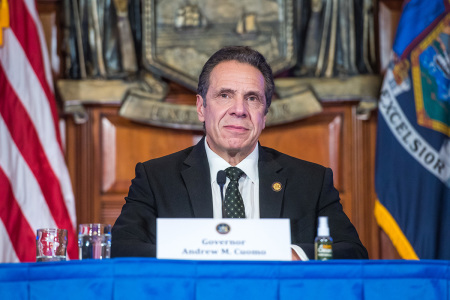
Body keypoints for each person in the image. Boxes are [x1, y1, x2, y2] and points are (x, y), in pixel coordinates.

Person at [111, 46, 368, 260]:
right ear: (201, 107)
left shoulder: (310, 181)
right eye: (225, 95)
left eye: (252, 98)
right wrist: (195, 252)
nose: (239, 110)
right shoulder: (156, 178)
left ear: (264, 114)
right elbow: (122, 248)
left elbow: (352, 252)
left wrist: (290, 254)